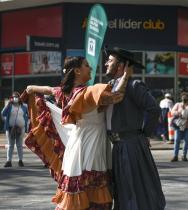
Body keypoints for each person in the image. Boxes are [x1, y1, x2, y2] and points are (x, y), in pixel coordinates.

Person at [25, 56, 131, 210]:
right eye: (87, 65)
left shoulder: (65, 92)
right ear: (77, 71)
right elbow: (118, 96)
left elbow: (48, 89)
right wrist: (126, 74)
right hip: (91, 146)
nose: (91, 68)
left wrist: (31, 88)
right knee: (94, 194)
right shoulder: (87, 93)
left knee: (79, 193)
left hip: (77, 146)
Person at [104, 47, 166, 210]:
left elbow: (153, 108)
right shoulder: (109, 86)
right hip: (117, 146)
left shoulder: (134, 85)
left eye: (110, 61)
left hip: (131, 145)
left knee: (135, 190)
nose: (106, 64)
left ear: (122, 65)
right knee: (123, 190)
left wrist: (145, 134)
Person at [1, 92, 28, 167]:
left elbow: (27, 115)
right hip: (10, 129)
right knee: (10, 145)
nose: (15, 98)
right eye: (14, 97)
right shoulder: (9, 106)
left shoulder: (24, 106)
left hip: (21, 129)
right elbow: (3, 113)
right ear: (11, 98)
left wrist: (26, 126)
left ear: (19, 98)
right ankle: (9, 161)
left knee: (19, 145)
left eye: (17, 97)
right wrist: (8, 105)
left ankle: (20, 160)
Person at [170, 92, 188, 162]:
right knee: (177, 140)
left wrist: (187, 113)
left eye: (185, 99)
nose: (184, 100)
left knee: (186, 141)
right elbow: (172, 112)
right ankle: (175, 156)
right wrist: (179, 113)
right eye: (183, 99)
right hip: (179, 125)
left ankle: (184, 156)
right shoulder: (178, 104)